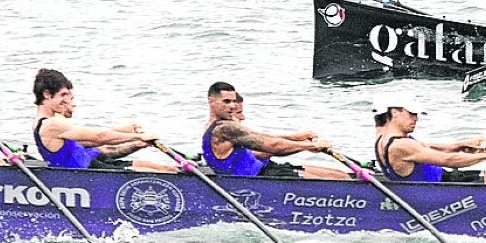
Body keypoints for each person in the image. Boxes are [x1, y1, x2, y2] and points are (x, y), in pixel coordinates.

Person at [33, 68, 171, 171]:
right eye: (63, 95)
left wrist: (134, 141)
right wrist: (138, 137)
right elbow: (99, 137)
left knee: (165, 168)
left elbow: (91, 142)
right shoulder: (51, 124)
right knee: (165, 171)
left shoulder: (48, 122)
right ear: (47, 94)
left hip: (94, 167)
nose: (67, 101)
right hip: (88, 177)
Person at [201, 82, 345, 178]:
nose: (232, 106)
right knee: (338, 180)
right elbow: (274, 146)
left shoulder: (221, 125)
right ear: (211, 101)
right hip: (262, 180)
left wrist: (301, 137)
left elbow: (263, 138)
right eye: (227, 102)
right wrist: (310, 146)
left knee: (340, 175)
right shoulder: (223, 129)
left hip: (267, 170)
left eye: (233, 101)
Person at [373, 95, 486, 184]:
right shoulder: (401, 145)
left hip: (443, 181)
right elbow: (449, 160)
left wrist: (460, 145)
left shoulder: (383, 137)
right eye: (412, 114)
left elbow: (429, 149)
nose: (416, 119)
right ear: (394, 112)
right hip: (444, 187)